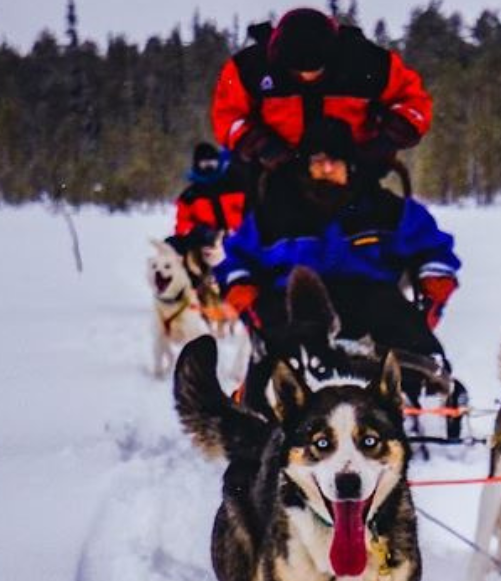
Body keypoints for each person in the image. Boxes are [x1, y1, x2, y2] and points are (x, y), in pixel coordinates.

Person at [216, 119, 459, 363]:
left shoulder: (383, 208)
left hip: (371, 300)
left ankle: (430, 389)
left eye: (335, 162)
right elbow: (238, 258)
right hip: (292, 304)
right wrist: (241, 284)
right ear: (306, 167)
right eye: (318, 162)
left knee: (415, 345)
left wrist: (435, 275)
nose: (327, 169)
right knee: (274, 354)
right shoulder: (274, 214)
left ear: (350, 166)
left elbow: (432, 246)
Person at [210, 8, 432, 177]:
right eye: (299, 72)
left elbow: (414, 102)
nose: (308, 77)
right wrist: (261, 145)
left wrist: (387, 140)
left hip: (354, 174)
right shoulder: (246, 68)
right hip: (277, 174)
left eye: (317, 70)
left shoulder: (371, 64)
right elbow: (227, 116)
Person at [172, 142, 247, 244]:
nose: (209, 166)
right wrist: (200, 232)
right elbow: (181, 225)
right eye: (204, 163)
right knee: (173, 243)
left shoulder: (236, 184)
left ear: (218, 162)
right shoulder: (190, 196)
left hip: (243, 240)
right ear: (197, 165)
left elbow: (254, 211)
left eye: (212, 162)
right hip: (208, 246)